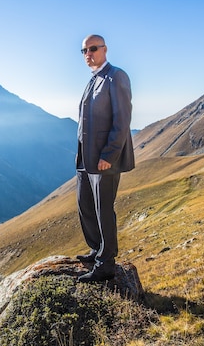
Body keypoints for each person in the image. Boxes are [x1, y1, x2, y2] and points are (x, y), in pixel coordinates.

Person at [75, 34, 135, 283]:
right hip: (85, 157)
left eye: (93, 49)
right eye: (84, 51)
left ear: (104, 49)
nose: (88, 53)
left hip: (103, 159)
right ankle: (96, 248)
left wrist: (109, 155)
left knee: (103, 210)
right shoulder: (93, 79)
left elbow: (122, 120)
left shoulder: (115, 76)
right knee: (85, 205)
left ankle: (105, 264)